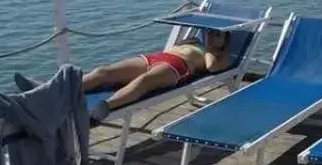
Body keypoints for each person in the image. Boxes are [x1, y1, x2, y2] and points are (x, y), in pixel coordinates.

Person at [80, 28, 233, 122]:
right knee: (103, 72)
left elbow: (212, 67)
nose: (212, 36)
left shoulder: (215, 54)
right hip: (155, 57)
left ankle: (105, 107)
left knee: (143, 81)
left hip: (177, 66)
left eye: (217, 35)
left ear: (225, 42)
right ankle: (70, 86)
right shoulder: (193, 41)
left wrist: (211, 49)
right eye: (210, 32)